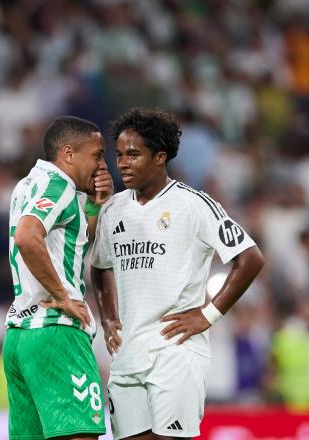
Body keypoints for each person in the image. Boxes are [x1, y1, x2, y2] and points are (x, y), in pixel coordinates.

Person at [91, 108, 264, 439]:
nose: (123, 163)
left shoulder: (194, 204)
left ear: (159, 157)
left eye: (133, 154)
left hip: (176, 350)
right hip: (127, 353)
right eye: (120, 155)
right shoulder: (113, 209)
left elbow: (250, 258)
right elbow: (99, 266)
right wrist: (109, 318)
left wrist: (208, 314)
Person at [4, 116, 113, 440]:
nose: (101, 165)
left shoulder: (27, 185)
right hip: (57, 331)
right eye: (97, 154)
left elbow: (70, 242)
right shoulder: (59, 187)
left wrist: (96, 205)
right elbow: (27, 237)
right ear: (68, 153)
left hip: (20, 334)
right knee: (80, 434)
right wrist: (62, 294)